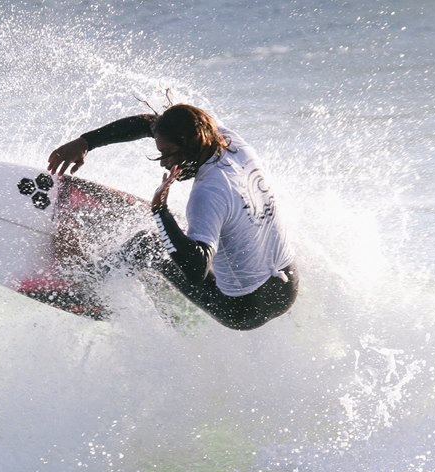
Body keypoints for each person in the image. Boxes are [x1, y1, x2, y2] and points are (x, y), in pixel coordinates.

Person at [47, 103, 298, 330]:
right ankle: (163, 288)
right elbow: (151, 124)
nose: (163, 163)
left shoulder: (208, 192)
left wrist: (160, 212)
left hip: (243, 309)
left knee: (147, 244)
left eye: (168, 153)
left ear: (189, 142)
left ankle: (87, 285)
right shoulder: (230, 142)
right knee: (194, 231)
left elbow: (196, 269)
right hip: (287, 288)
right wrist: (86, 142)